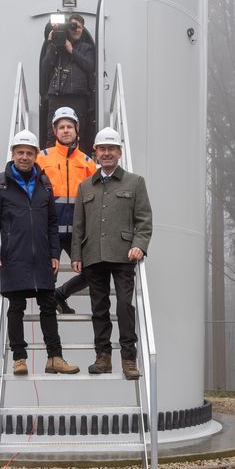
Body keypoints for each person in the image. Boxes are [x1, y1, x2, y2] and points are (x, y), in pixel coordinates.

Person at [0, 129, 80, 376]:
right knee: (16, 308)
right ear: (13, 154)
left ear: (36, 155)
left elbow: (51, 223)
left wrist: (55, 253)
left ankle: (55, 358)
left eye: (29, 153)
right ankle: (19, 358)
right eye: (20, 152)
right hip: (14, 258)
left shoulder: (44, 184)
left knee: (48, 306)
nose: (24, 157)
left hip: (42, 259)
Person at [71, 127, 152, 380]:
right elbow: (79, 225)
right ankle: (102, 358)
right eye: (102, 149)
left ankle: (129, 359)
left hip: (124, 256)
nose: (106, 153)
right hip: (93, 255)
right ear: (95, 153)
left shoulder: (135, 182)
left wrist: (140, 244)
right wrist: (76, 256)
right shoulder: (85, 186)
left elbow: (144, 220)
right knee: (99, 308)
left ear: (119, 152)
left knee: (124, 306)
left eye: (111, 149)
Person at [36, 107, 97, 314]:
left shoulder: (88, 163)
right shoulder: (41, 158)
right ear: (55, 131)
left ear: (76, 129)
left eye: (69, 126)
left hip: (78, 232)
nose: (65, 130)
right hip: (50, 230)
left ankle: (61, 294)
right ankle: (49, 316)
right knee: (47, 276)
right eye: (61, 127)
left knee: (92, 273)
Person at [41, 13, 95, 153]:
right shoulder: (56, 47)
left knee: (79, 133)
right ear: (67, 28)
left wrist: (71, 50)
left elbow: (90, 67)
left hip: (78, 97)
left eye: (79, 27)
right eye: (72, 26)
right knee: (52, 134)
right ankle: (49, 164)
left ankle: (80, 164)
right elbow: (45, 67)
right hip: (56, 96)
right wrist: (51, 44)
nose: (76, 29)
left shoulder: (86, 48)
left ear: (83, 29)